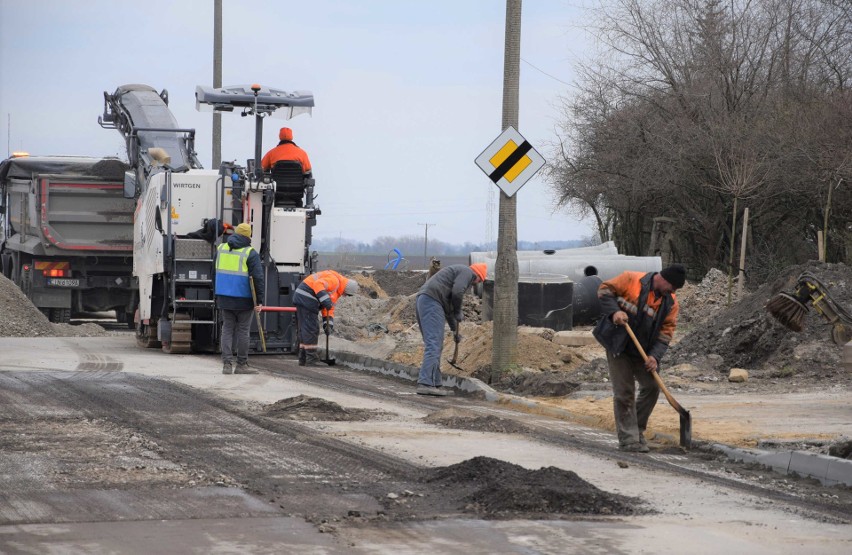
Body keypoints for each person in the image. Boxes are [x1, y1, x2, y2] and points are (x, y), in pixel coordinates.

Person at [593, 264, 685, 452]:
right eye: (673, 287)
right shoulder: (631, 279)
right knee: (624, 392)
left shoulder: (671, 303)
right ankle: (629, 439)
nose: (673, 292)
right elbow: (603, 289)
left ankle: (636, 430)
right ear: (664, 279)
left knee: (652, 387)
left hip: (643, 350)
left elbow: (665, 334)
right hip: (619, 344)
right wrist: (614, 312)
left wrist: (655, 357)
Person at [415, 263, 487, 396]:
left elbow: (448, 310)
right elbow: (457, 292)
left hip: (425, 300)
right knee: (434, 344)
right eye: (478, 282)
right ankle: (425, 383)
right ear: (478, 276)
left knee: (435, 345)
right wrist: (459, 311)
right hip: (431, 302)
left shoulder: (452, 279)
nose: (475, 284)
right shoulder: (467, 272)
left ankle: (435, 383)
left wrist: (455, 331)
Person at [215, 222, 264, 375]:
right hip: (244, 299)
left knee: (227, 329)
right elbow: (258, 278)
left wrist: (216, 293)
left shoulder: (221, 248)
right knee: (243, 330)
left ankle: (227, 365)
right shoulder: (250, 253)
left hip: (224, 297)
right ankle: (241, 364)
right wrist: (260, 300)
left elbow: (213, 273)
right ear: (249, 236)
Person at [293, 270, 359, 366]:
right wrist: (325, 300)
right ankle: (311, 360)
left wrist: (328, 324)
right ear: (346, 289)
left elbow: (329, 308)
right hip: (306, 298)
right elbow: (318, 284)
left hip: (303, 298)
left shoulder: (336, 291)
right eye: (347, 294)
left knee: (305, 330)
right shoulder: (335, 281)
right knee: (311, 329)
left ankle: (303, 358)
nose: (345, 296)